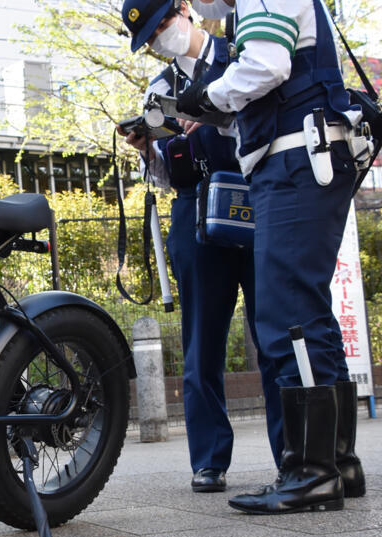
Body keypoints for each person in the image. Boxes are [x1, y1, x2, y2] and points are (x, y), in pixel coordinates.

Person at [177, 0, 366, 513]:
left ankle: (311, 472)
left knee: (287, 315)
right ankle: (337, 462)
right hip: (308, 155)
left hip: (295, 162)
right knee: (311, 313)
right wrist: (218, 115)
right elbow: (275, 80)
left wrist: (205, 95)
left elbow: (266, 65)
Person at [119, 0, 283, 493]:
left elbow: (270, 122)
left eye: (162, 25)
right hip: (195, 213)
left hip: (255, 201)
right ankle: (209, 459)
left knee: (272, 334)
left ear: (186, 10)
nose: (159, 40)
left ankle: (292, 455)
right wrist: (148, 148)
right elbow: (168, 176)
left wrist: (216, 118)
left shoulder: (245, 54)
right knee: (201, 343)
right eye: (149, 38)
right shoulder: (160, 88)